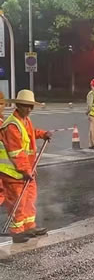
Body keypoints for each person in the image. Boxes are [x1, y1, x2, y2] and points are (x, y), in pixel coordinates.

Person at [0, 90, 52, 243]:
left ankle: (29, 226)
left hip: (27, 170)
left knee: (29, 199)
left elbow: (30, 133)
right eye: (25, 106)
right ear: (18, 105)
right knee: (18, 202)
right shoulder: (12, 125)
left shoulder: (25, 120)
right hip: (14, 172)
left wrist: (42, 134)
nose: (29, 109)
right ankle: (17, 232)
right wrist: (25, 170)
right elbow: (16, 152)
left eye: (31, 106)